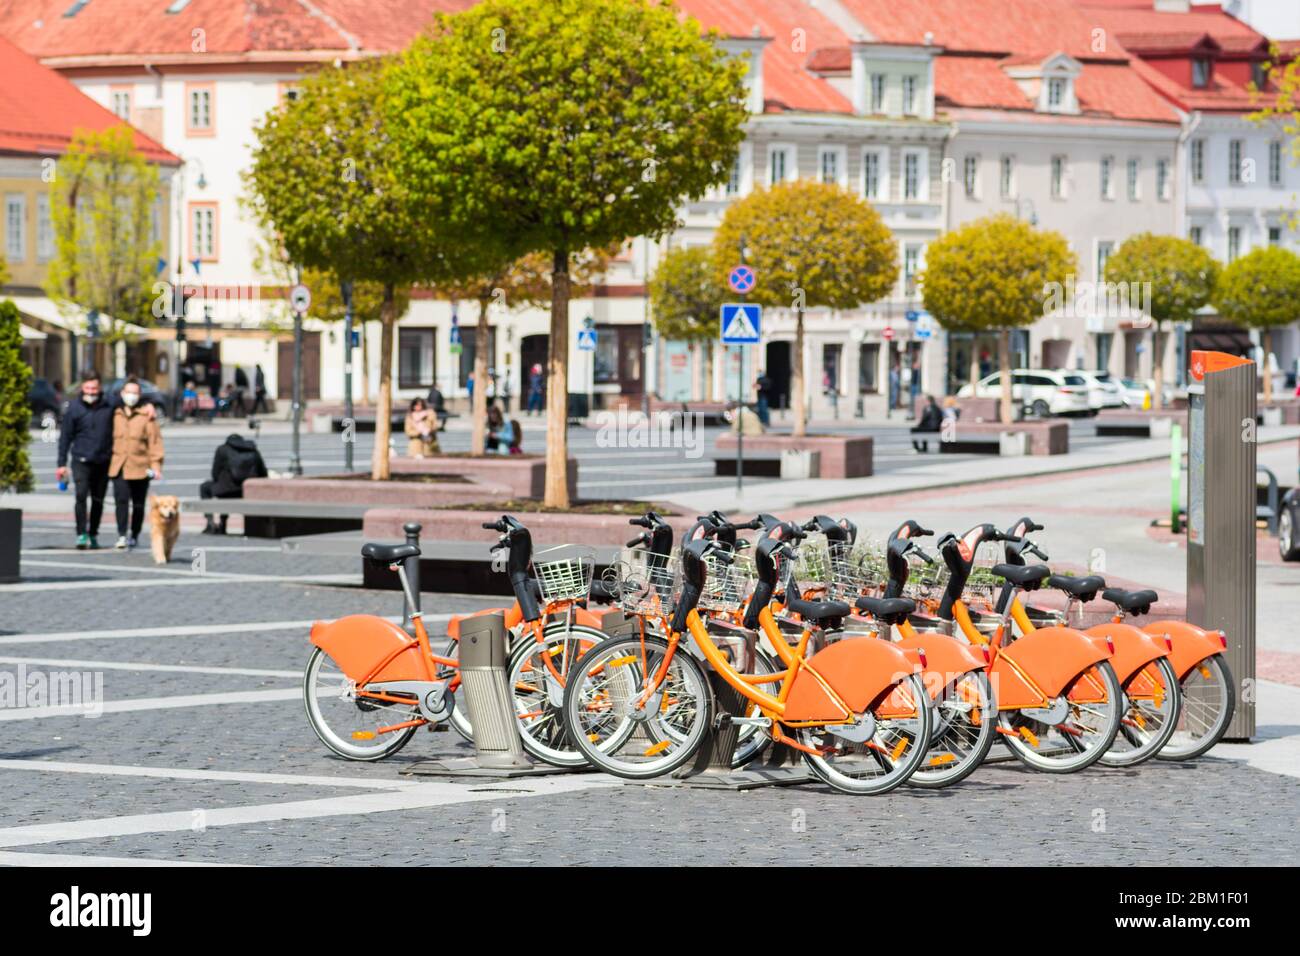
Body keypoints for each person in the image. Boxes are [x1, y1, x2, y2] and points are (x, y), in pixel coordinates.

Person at [55, 371, 114, 549]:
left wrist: (147, 407)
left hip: (103, 460)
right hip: (81, 459)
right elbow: (65, 437)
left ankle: (93, 533)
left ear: (100, 387)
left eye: (94, 388)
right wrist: (61, 464)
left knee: (98, 500)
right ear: (82, 387)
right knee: (81, 496)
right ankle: (81, 533)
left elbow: (130, 404)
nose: (91, 391)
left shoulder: (109, 404)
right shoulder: (74, 408)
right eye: (87, 388)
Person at [108, 377, 164, 550]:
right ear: (122, 394)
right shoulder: (114, 413)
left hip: (141, 467)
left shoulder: (147, 415)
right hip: (119, 465)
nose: (131, 396)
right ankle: (122, 534)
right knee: (121, 501)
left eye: (135, 393)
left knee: (138, 505)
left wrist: (156, 466)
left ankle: (135, 534)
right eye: (128, 392)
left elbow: (155, 442)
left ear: (140, 395)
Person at [200, 433, 267, 534]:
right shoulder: (253, 450)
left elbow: (215, 473)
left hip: (226, 491)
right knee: (222, 489)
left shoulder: (222, 449)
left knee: (205, 487)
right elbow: (263, 472)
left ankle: (211, 522)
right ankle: (222, 522)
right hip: (247, 491)